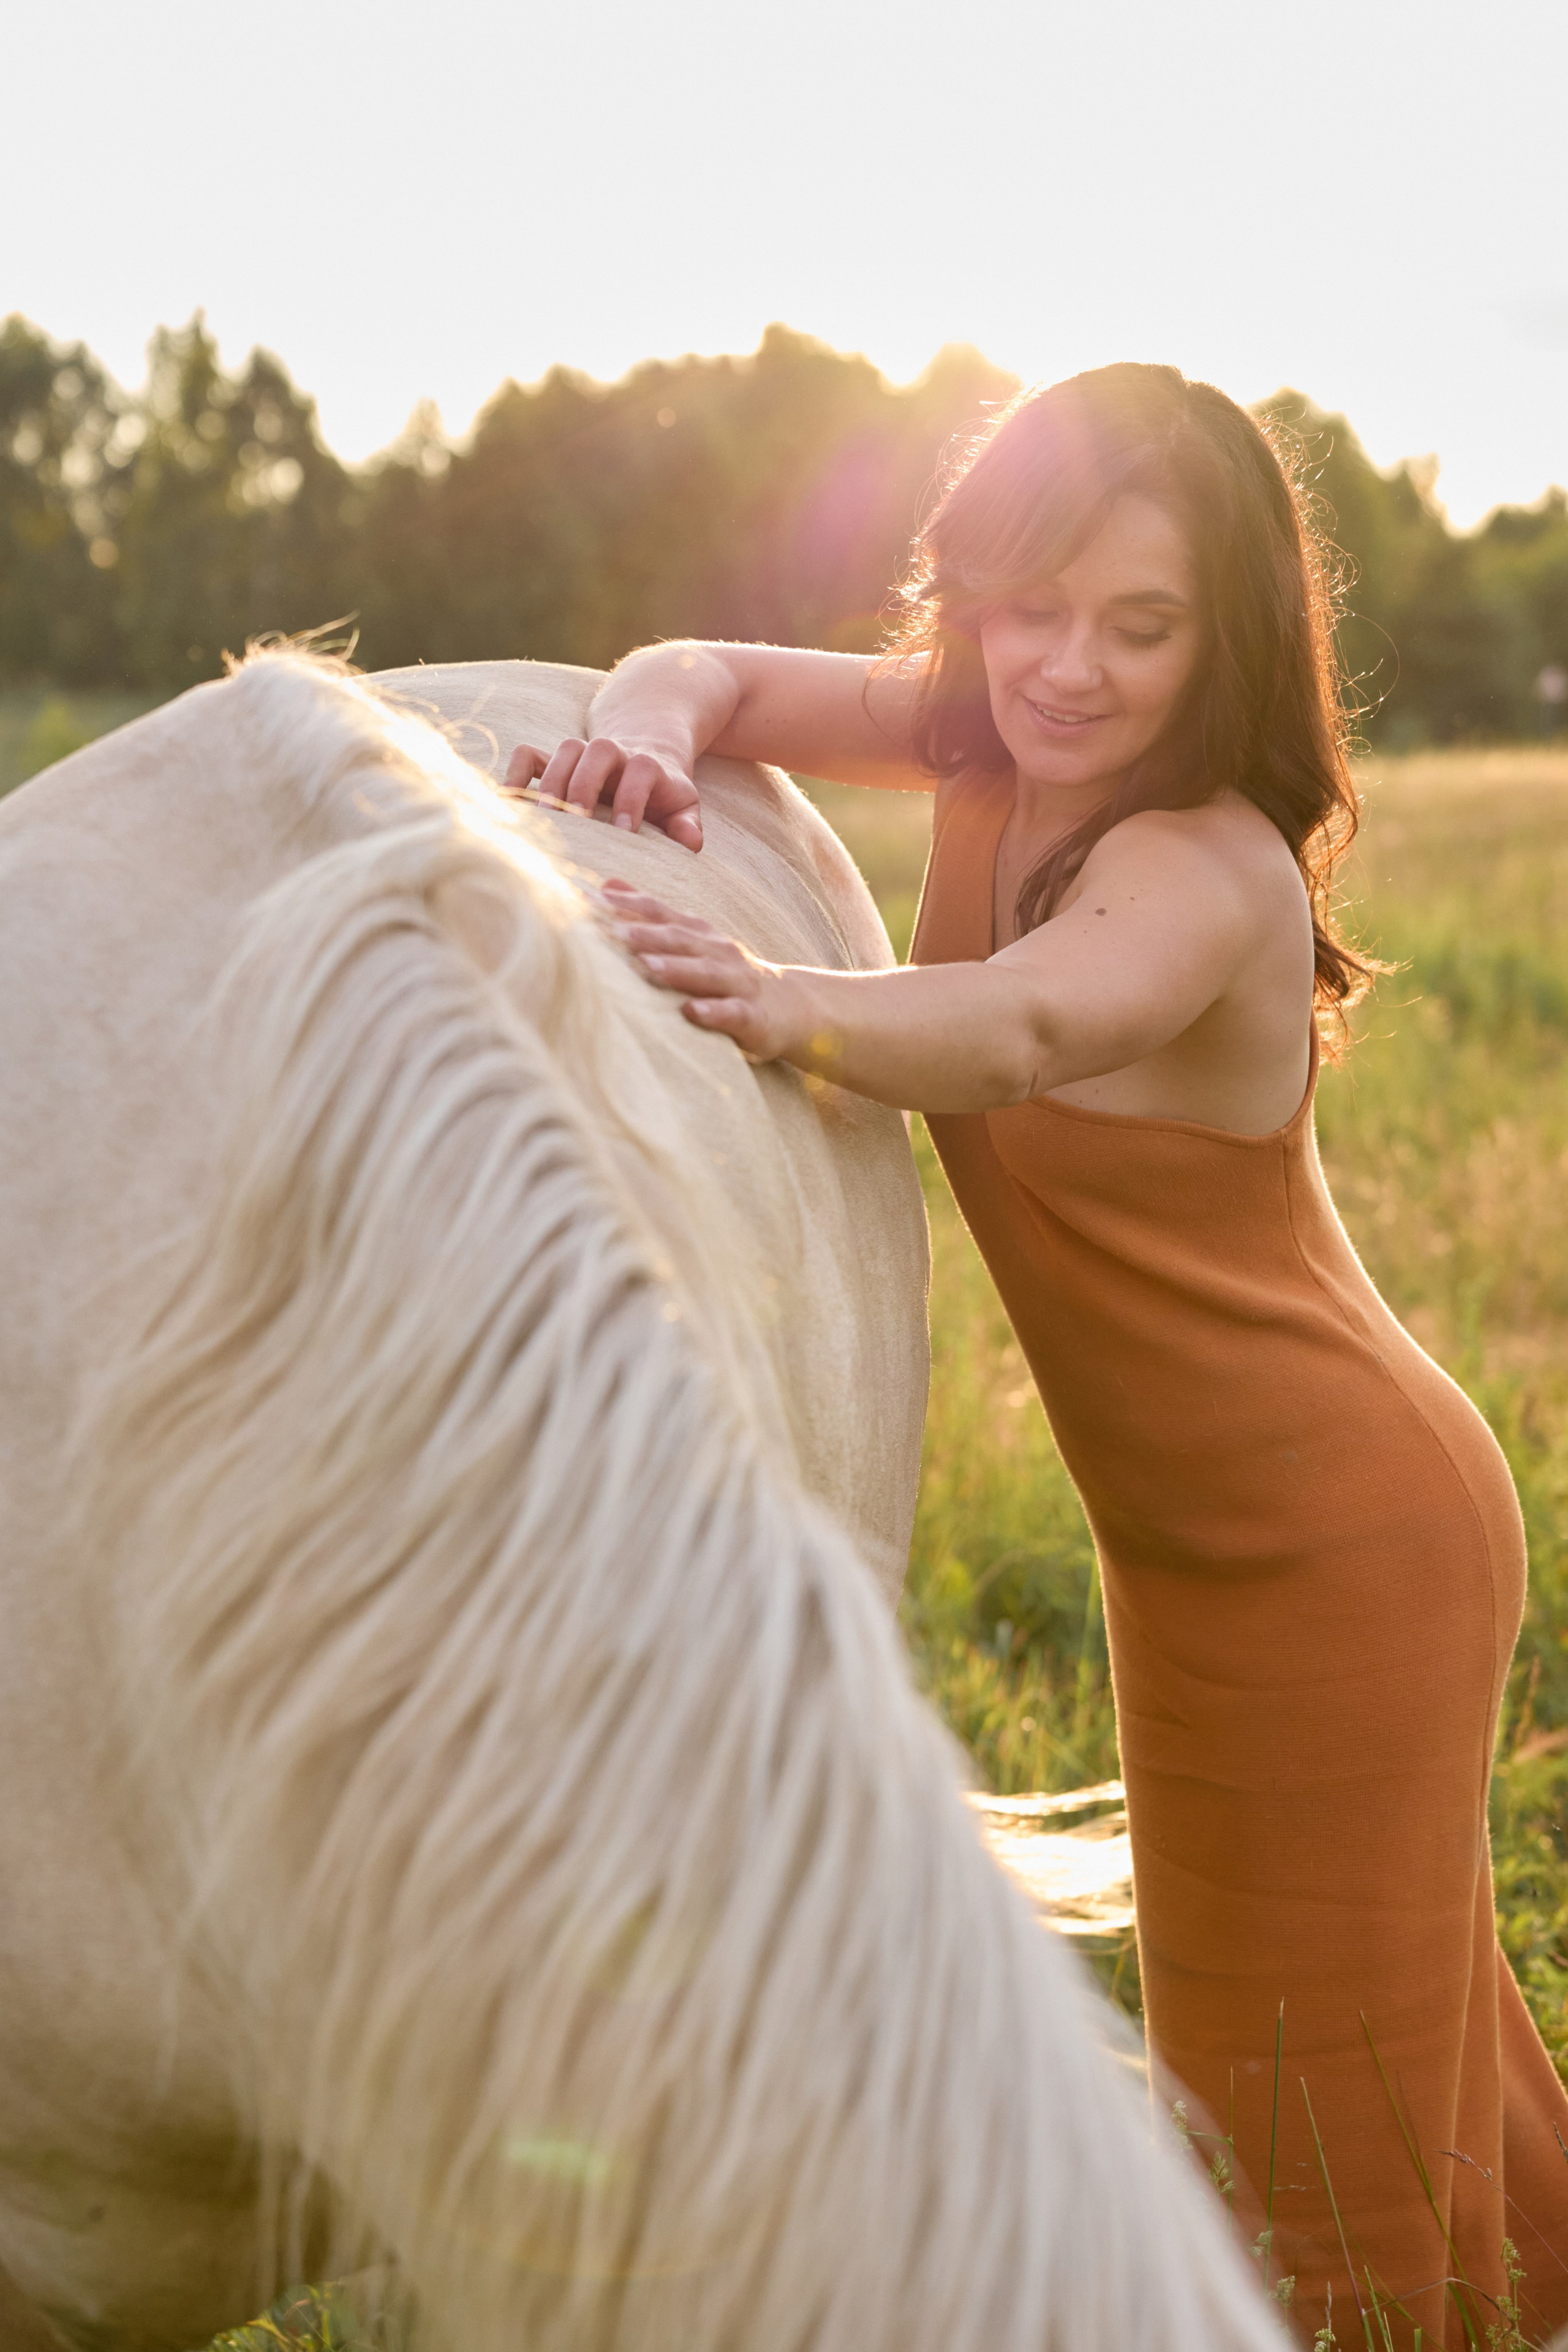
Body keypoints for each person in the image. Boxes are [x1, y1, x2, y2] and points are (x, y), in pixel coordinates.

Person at [504, 363, 1568, 2348]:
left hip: (1344, 1549)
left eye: (1140, 625)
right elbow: (708, 670)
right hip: (1194, 1557)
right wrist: (642, 719)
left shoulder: (1205, 864)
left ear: (1229, 633)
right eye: (1024, 604)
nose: (1065, 669)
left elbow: (1008, 1030)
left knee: (1305, 2131)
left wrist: (763, 991)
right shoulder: (984, 734)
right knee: (1391, 2073)